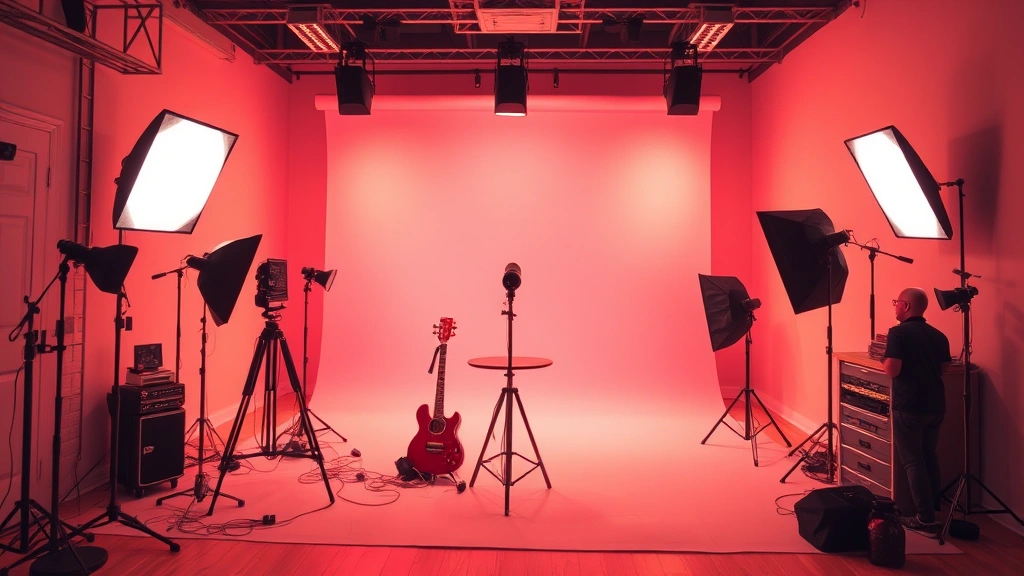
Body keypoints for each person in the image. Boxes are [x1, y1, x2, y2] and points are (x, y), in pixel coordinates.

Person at [882, 287, 952, 531]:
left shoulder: (898, 333)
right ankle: (934, 508)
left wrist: (883, 359)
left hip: (909, 405)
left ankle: (925, 518)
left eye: (897, 302)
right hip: (935, 405)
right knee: (929, 456)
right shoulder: (939, 335)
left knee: (913, 462)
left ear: (907, 306)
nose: (895, 307)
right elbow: (944, 369)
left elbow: (893, 370)